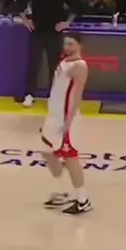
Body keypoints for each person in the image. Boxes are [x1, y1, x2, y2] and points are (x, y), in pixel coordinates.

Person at [14, 0, 78, 107]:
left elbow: (76, 6)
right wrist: (25, 20)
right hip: (37, 32)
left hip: (54, 33)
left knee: (54, 66)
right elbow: (19, 4)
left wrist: (67, 22)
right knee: (33, 64)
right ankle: (30, 94)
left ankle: (53, 95)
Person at [40, 35, 91, 215]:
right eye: (65, 43)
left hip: (65, 118)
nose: (67, 47)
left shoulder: (80, 66)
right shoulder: (65, 61)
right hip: (53, 115)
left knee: (71, 158)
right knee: (47, 152)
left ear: (80, 45)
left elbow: (76, 96)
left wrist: (68, 121)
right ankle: (62, 191)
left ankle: (82, 200)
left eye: (71, 44)